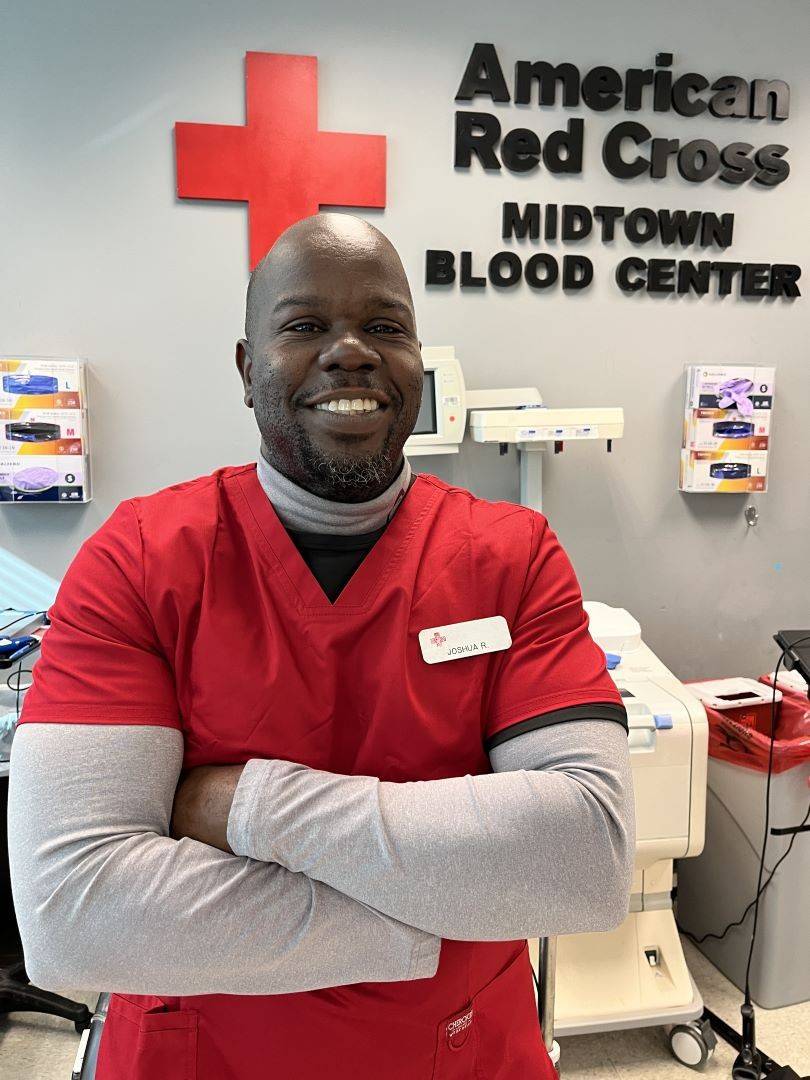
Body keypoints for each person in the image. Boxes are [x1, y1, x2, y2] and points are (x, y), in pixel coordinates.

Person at [8, 213, 634, 1079]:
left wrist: (246, 808)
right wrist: (439, 907)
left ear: (417, 360)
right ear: (245, 368)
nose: (352, 351)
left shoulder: (513, 556)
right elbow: (74, 913)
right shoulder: (141, 559)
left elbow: (586, 860)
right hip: (205, 1056)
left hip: (458, 1051)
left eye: (385, 327)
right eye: (305, 326)